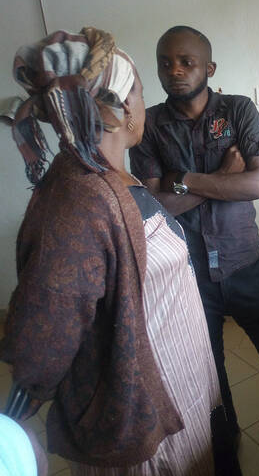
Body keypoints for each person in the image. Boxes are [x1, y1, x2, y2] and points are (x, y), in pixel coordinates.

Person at [0, 28, 222, 475]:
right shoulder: (79, 200)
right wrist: (14, 425)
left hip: (178, 376)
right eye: (139, 90)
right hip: (142, 406)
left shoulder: (109, 177)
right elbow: (43, 333)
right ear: (122, 108)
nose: (144, 101)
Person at [129, 26, 259, 441]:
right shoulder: (147, 126)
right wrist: (223, 177)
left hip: (246, 264)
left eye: (186, 62)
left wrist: (183, 180)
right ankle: (226, 455)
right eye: (165, 63)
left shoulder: (238, 110)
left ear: (209, 67)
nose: (175, 71)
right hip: (187, 274)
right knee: (209, 381)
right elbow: (155, 210)